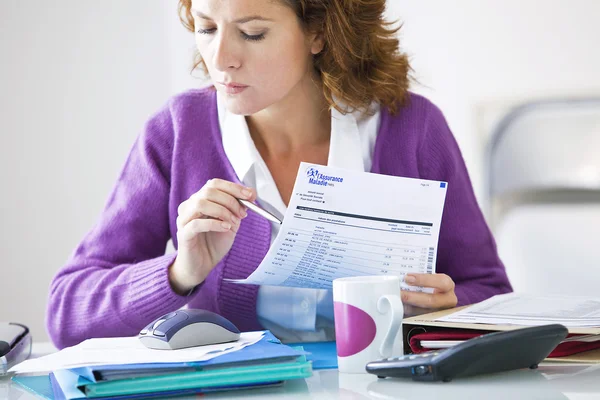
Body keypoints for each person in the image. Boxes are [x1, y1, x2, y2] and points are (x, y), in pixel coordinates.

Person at [46, 0, 512, 349]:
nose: (221, 57)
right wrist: (180, 273)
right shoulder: (177, 132)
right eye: (206, 28)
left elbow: (491, 293)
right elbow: (67, 311)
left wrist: (446, 308)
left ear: (319, 32)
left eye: (251, 33)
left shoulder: (411, 128)